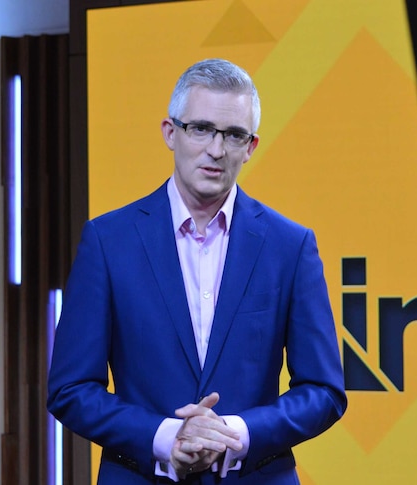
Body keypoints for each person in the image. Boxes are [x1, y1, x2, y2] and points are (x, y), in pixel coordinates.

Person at [47, 58, 347, 484]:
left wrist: (236, 433)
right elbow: (70, 390)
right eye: (201, 129)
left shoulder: (290, 246)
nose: (216, 150)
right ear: (171, 133)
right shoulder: (108, 240)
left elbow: (323, 391)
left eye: (234, 135)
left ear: (252, 146)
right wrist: (165, 436)